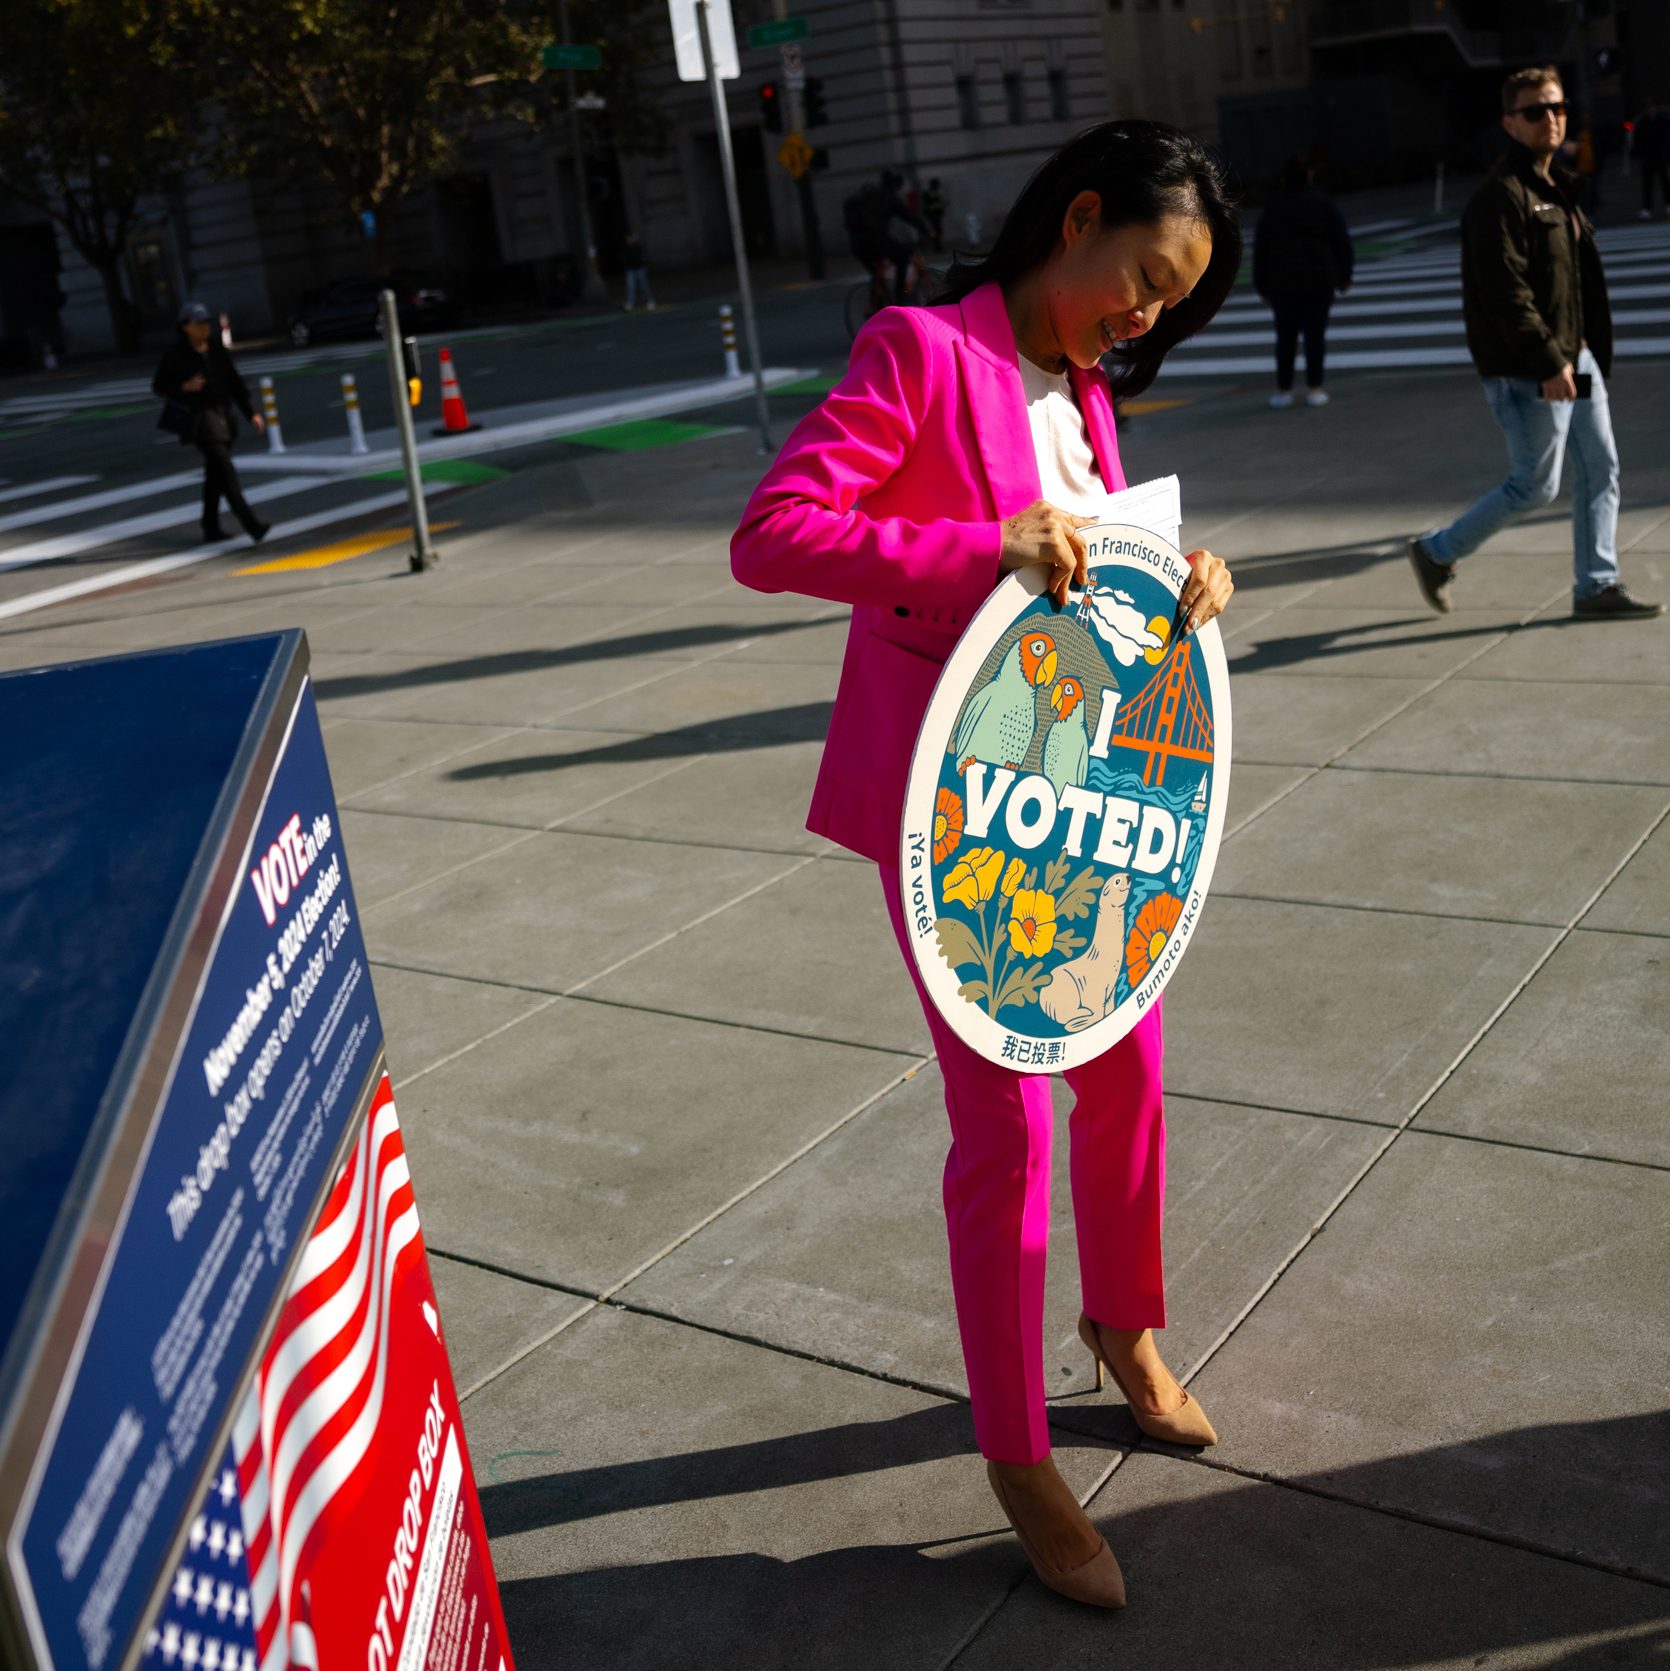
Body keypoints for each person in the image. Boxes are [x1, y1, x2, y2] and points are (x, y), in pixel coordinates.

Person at [732, 120, 1240, 1609]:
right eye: (1140, 279)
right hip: (947, 806)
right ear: (1075, 218)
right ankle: (1017, 1446)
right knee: (1005, 1118)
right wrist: (979, 547)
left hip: (1078, 790)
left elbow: (1090, 561)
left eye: (1168, 305)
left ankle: (1123, 1322)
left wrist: (1186, 580)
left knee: (1127, 1065)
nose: (1142, 319)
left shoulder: (1082, 383)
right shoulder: (916, 347)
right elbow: (776, 534)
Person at [1409, 67, 1660, 621]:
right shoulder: (1502, 197)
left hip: (1576, 357)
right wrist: (1549, 360)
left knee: (1602, 466)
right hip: (1531, 370)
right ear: (1509, 123)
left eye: (1558, 107)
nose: (1551, 118)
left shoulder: (1556, 187)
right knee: (1536, 484)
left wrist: (1580, 347)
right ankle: (1436, 552)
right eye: (1535, 111)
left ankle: (1596, 584)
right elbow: (1505, 294)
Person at [151, 301, 270, 545]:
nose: (205, 327)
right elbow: (159, 386)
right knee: (226, 473)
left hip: (224, 417)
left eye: (206, 322)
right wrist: (184, 386)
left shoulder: (215, 349)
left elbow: (235, 383)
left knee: (215, 475)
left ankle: (210, 526)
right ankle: (252, 525)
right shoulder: (176, 355)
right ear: (185, 327)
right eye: (199, 323)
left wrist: (252, 413)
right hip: (199, 420)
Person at [1253, 155, 1353, 408]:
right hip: (1319, 277)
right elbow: (1341, 241)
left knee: (1285, 337)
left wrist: (1261, 285)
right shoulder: (1323, 203)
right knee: (1314, 335)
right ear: (1309, 175)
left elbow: (1261, 248)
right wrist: (1345, 276)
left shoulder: (1274, 206)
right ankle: (1315, 388)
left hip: (1282, 280)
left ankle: (1283, 390)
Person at [843, 169, 930, 302]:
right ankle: (899, 297)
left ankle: (876, 305)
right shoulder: (889, 198)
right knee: (903, 257)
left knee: (877, 273)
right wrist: (927, 231)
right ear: (895, 185)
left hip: (856, 242)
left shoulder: (868, 195)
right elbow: (909, 217)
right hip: (875, 240)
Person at [1632, 97, 1669, 219]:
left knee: (1665, 182)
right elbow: (1637, 141)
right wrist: (1640, 154)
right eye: (1649, 109)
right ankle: (1647, 208)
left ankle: (1667, 204)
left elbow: (1666, 139)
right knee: (1648, 184)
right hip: (1648, 158)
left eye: (1652, 108)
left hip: (1661, 156)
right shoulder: (1642, 123)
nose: (1651, 111)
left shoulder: (1662, 121)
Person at [621, 231, 655, 311]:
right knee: (631, 287)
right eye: (628, 238)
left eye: (630, 238)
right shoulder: (626, 247)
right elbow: (624, 257)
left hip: (639, 268)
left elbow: (643, 256)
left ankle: (650, 301)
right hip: (630, 269)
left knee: (643, 285)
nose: (629, 240)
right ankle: (630, 303)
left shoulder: (638, 246)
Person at [922, 176, 947, 251]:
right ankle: (936, 247)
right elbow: (929, 205)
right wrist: (941, 204)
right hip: (933, 215)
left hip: (935, 215)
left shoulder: (933, 193)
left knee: (937, 231)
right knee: (936, 231)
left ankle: (936, 246)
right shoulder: (929, 193)